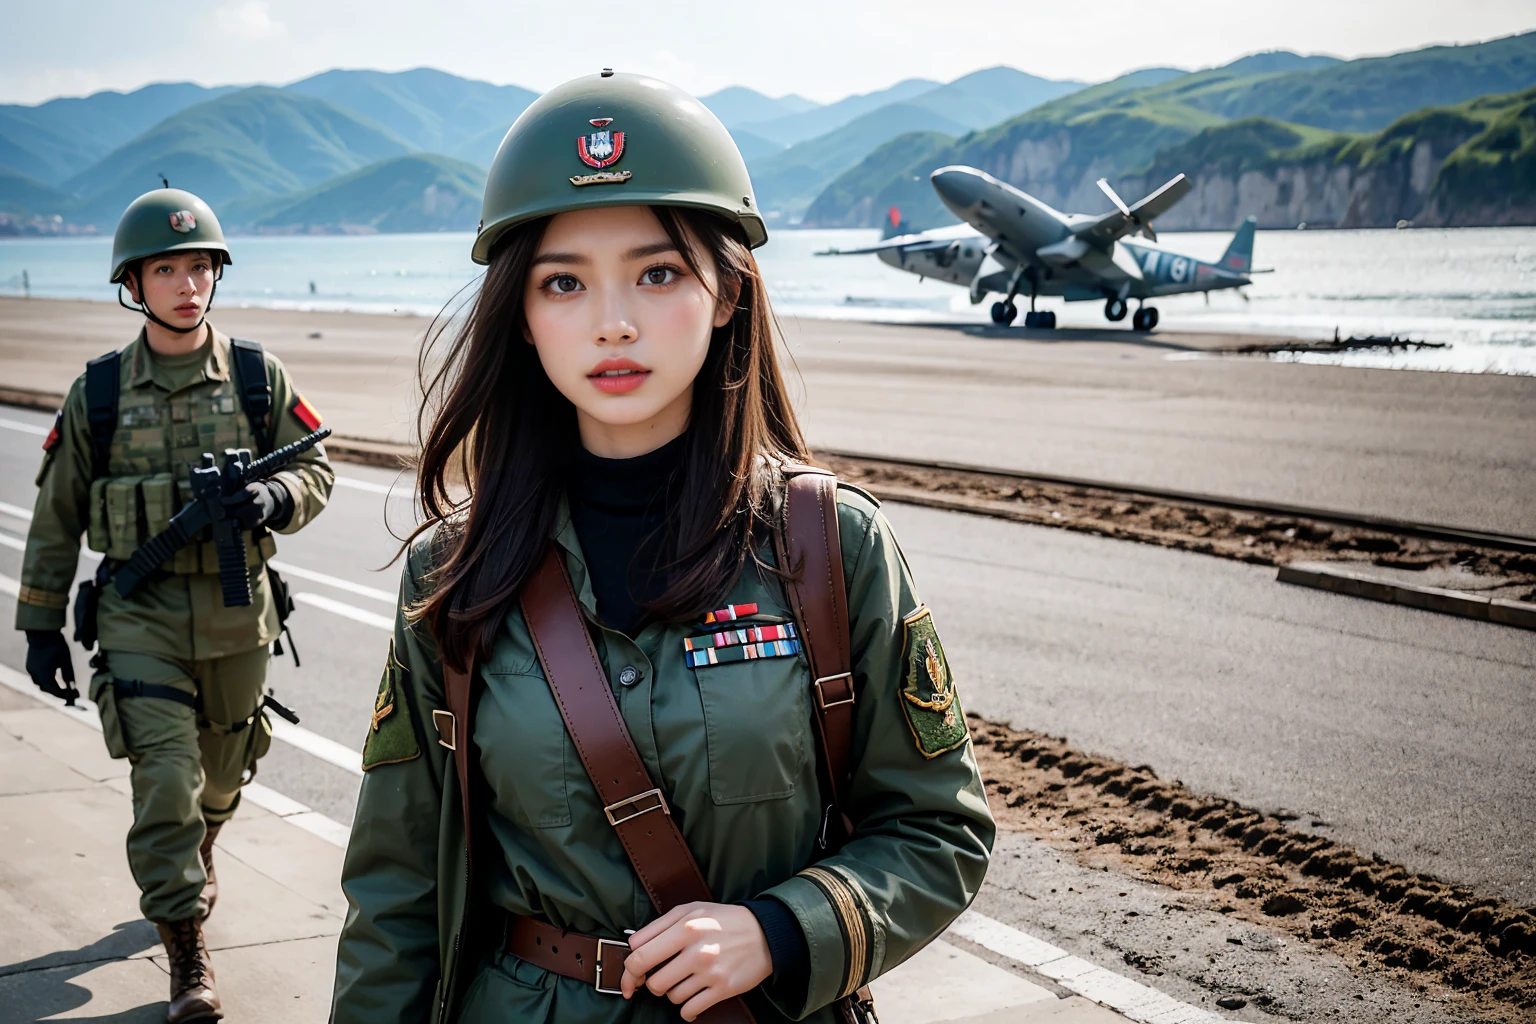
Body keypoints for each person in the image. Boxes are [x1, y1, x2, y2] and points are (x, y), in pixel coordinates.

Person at [330, 71, 993, 1024]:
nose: (613, 321)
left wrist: (783, 928)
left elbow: (939, 829)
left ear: (727, 292)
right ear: (520, 314)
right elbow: (396, 890)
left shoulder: (828, 545)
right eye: (564, 281)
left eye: (659, 272)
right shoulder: (452, 574)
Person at [16, 187, 334, 1022]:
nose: (188, 284)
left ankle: (200, 854)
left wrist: (275, 501)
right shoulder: (100, 394)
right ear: (134, 282)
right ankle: (187, 951)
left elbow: (317, 469)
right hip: (139, 615)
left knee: (222, 780)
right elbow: (56, 516)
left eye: (200, 267)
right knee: (166, 780)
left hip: (241, 617)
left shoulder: (260, 377)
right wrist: (40, 625)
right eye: (168, 269)